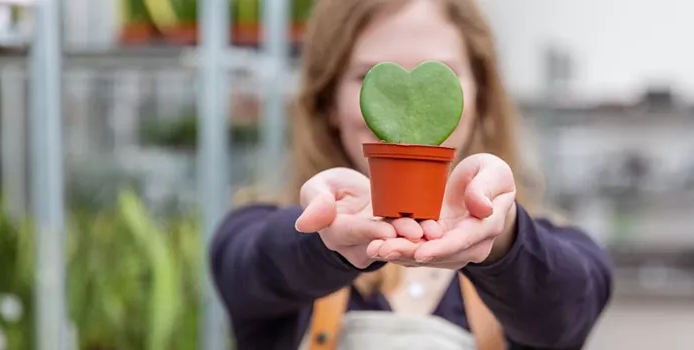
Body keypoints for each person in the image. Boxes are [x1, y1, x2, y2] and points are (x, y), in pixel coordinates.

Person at [209, 0, 613, 349]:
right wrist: (326, 239)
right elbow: (252, 266)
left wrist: (503, 241)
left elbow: (566, 311)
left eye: (441, 76)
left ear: (480, 98)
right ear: (328, 100)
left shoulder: (556, 253)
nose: (408, 108)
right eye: (368, 77)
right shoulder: (255, 238)